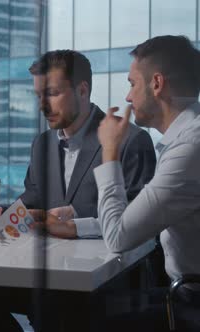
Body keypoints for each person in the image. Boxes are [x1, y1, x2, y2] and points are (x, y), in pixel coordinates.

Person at [0, 50, 157, 332]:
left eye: (52, 93)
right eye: (38, 96)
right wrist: (1, 213)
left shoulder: (130, 140)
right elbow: (33, 197)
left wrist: (74, 223)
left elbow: (140, 222)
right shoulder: (42, 144)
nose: (43, 105)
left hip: (107, 282)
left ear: (82, 90)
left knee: (57, 308)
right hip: (49, 274)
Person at [95, 35, 200, 331]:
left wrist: (110, 152)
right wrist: (79, 226)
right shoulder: (187, 138)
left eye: (132, 84)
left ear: (156, 84)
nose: (127, 98)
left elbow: (118, 237)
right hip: (183, 290)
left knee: (84, 315)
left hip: (190, 301)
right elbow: (140, 214)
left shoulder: (189, 149)